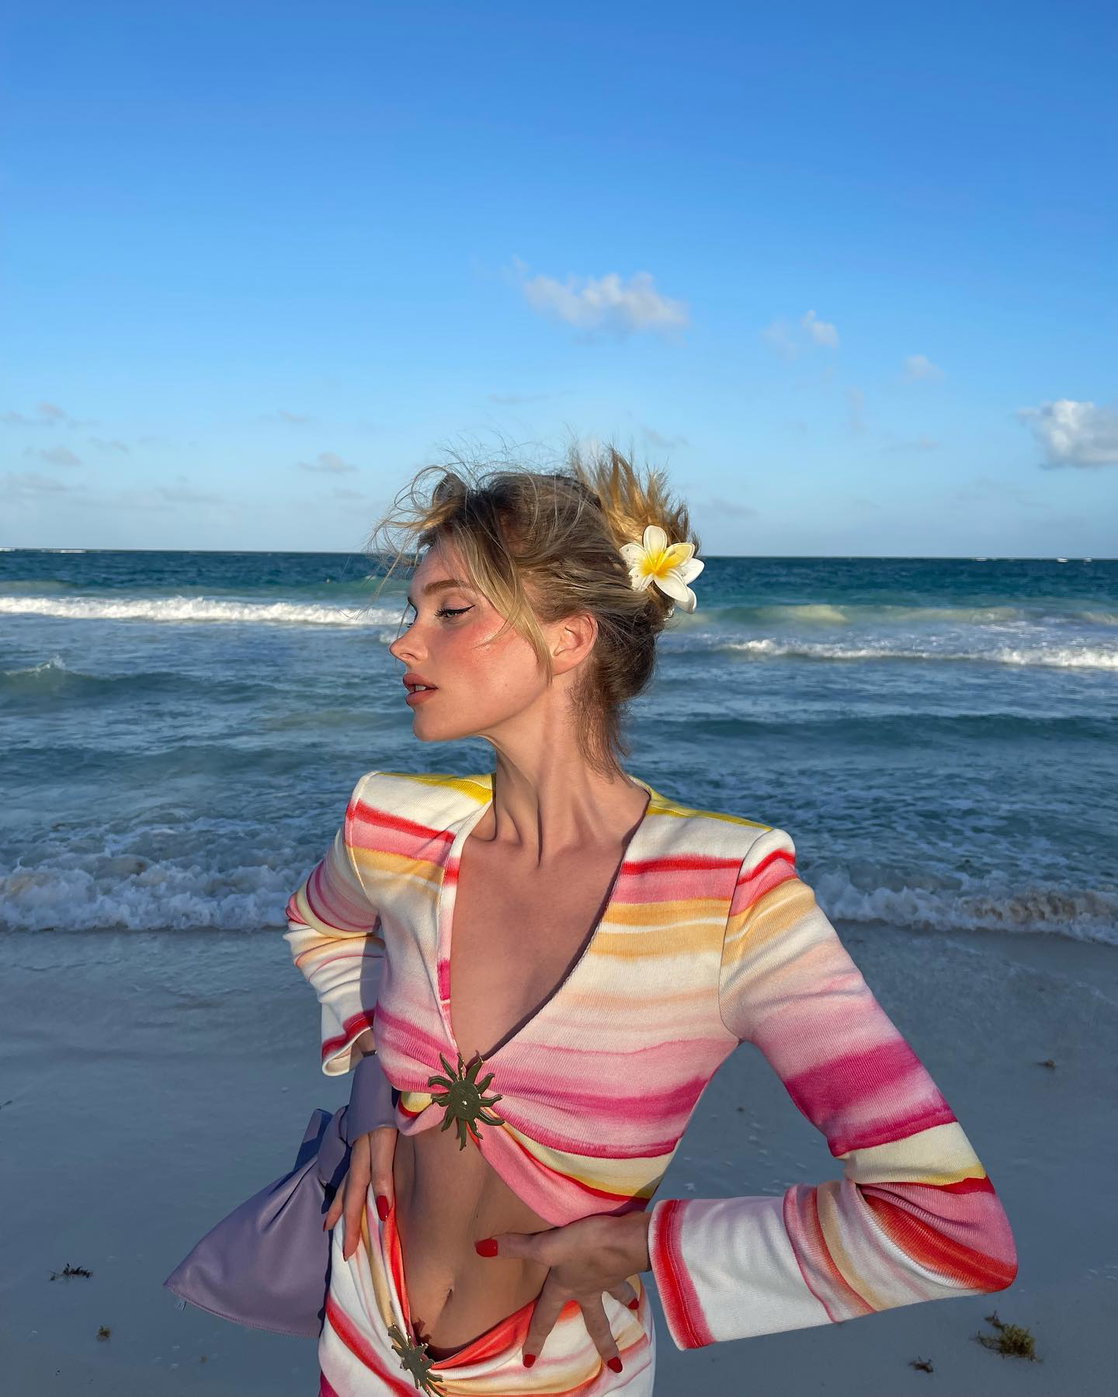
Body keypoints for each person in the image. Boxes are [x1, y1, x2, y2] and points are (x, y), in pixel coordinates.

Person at [284, 446, 1018, 1397]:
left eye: (450, 610)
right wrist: (372, 1096)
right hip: (357, 1334)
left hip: (561, 1375)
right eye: (412, 610)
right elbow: (323, 926)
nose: (404, 641)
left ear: (570, 638)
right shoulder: (394, 825)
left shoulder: (726, 894)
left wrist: (647, 1246)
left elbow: (949, 1224)